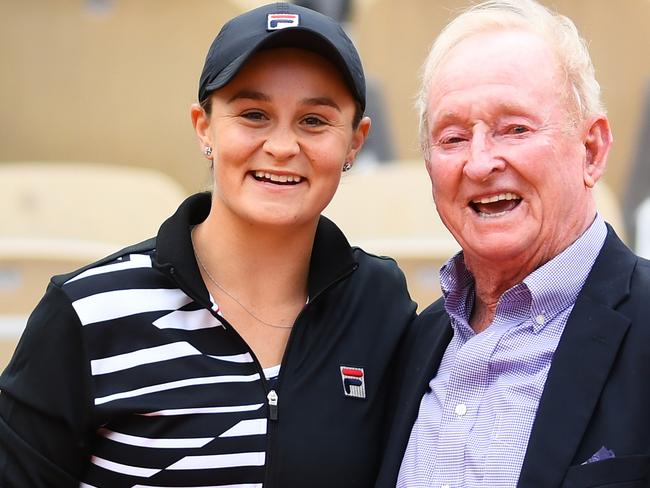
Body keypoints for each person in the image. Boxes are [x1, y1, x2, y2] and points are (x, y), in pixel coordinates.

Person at [0, 3, 416, 487]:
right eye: (254, 114)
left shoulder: (379, 303)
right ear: (204, 126)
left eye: (314, 121)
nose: (282, 146)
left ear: (355, 142)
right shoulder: (88, 312)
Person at [376, 1, 650, 487]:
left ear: (591, 149)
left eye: (515, 129)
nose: (480, 164)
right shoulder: (414, 342)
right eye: (453, 137)